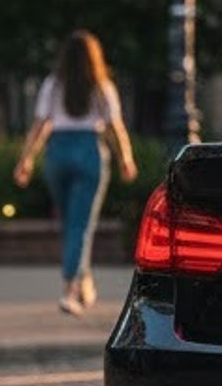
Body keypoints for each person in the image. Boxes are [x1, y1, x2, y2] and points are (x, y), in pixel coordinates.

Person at [13, 31, 138, 316]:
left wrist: (26, 160)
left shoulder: (52, 84)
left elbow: (40, 125)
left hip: (57, 152)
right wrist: (126, 159)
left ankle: (83, 282)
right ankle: (71, 289)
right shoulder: (101, 86)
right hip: (89, 151)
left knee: (70, 222)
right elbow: (114, 127)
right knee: (81, 224)